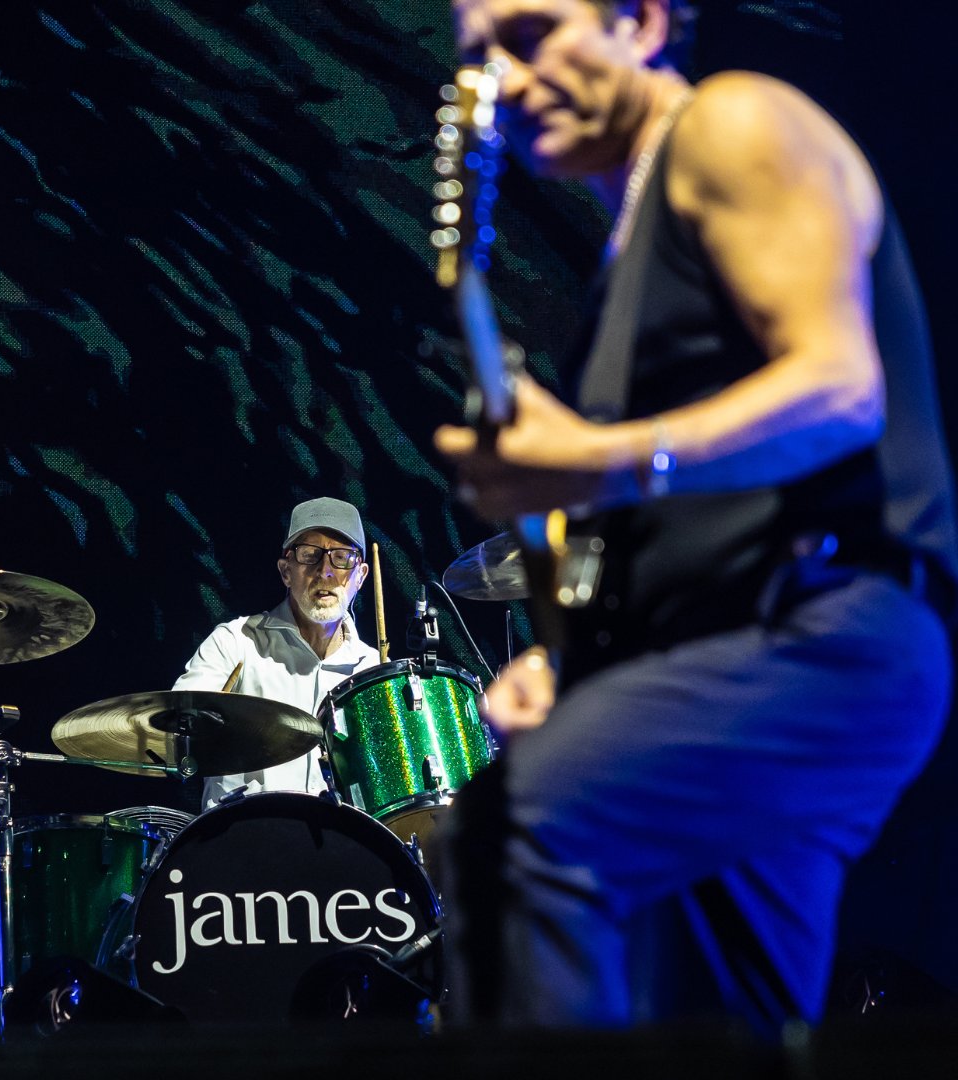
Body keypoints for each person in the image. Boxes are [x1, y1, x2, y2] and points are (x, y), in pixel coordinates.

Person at [433, 0, 958, 1037]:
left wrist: (592, 461)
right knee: (723, 1026)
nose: (502, 76)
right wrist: (566, 665)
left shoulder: (730, 125)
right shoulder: (621, 284)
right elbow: (661, 526)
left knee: (509, 835)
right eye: (478, 54)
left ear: (642, 22)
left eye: (532, 34)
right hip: (737, 656)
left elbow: (840, 388)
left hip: (822, 634)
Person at [173, 497, 380, 808]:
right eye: (310, 555)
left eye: (341, 558)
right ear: (286, 571)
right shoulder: (235, 642)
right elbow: (175, 730)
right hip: (242, 839)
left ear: (361, 576)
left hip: (342, 846)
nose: (325, 572)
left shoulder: (374, 669)